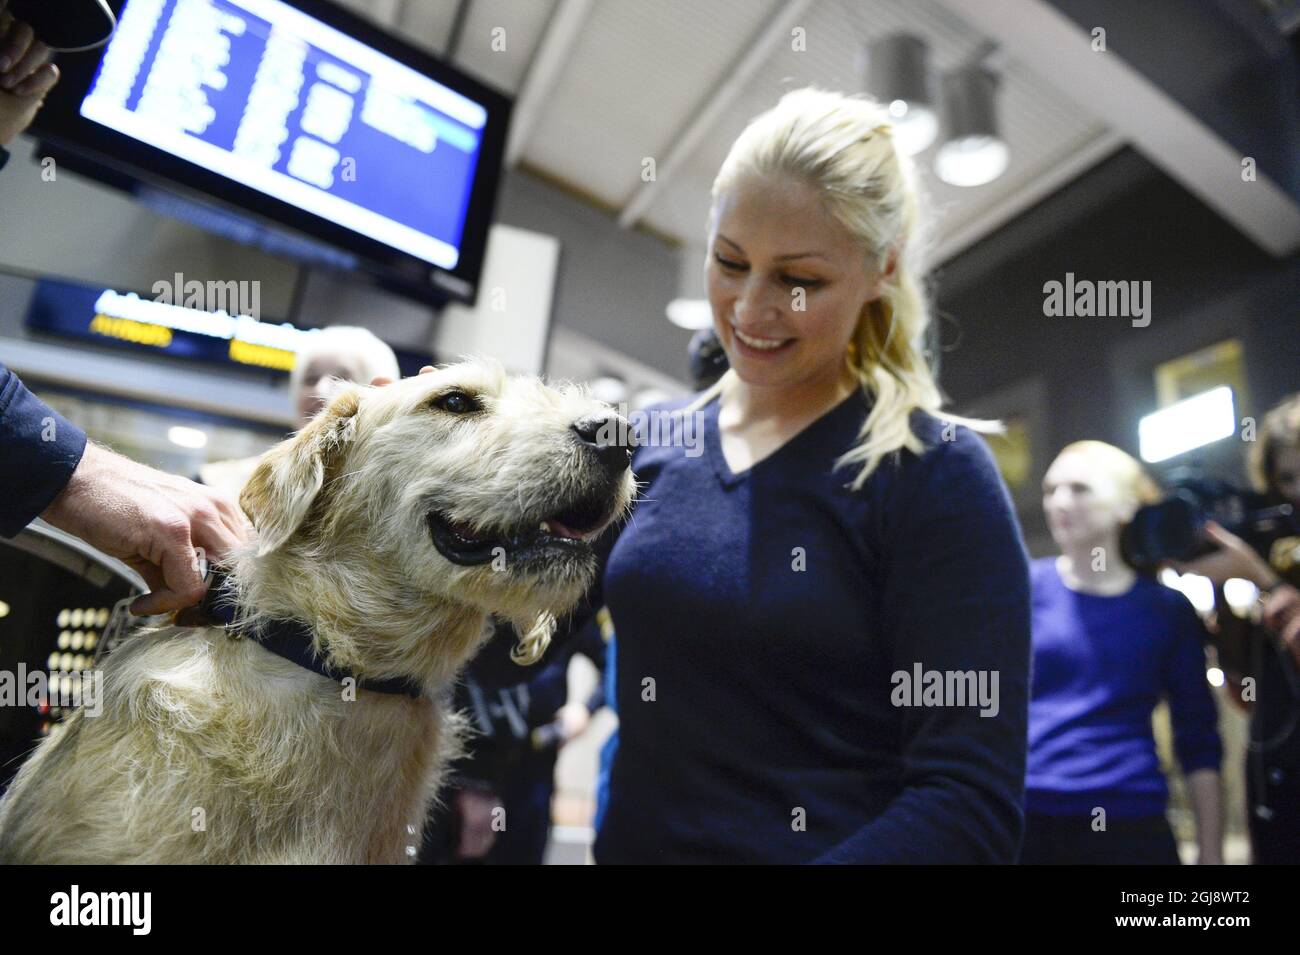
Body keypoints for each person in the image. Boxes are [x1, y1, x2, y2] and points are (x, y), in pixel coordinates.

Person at [572, 87, 1031, 863]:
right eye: (729, 262)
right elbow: (515, 636)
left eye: (801, 281)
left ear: (882, 268)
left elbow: (968, 803)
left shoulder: (933, 475)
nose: (751, 308)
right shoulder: (649, 441)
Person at [1022, 441, 1224, 864]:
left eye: (1080, 488)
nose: (1060, 501)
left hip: (1131, 823)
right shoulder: (1020, 591)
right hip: (1029, 821)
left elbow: (1199, 738)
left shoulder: (1165, 609)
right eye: (1050, 489)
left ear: (1126, 505)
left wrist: (1210, 853)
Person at [1185, 393, 1300, 864]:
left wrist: (1260, 577)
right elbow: (1243, 690)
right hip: (1277, 777)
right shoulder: (1274, 544)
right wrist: (1225, 596)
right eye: (1288, 478)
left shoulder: (1267, 567)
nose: (1297, 491)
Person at [197, 325, 400, 497]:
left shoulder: (394, 499)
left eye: (341, 380)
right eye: (310, 379)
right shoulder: (220, 484)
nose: (319, 391)